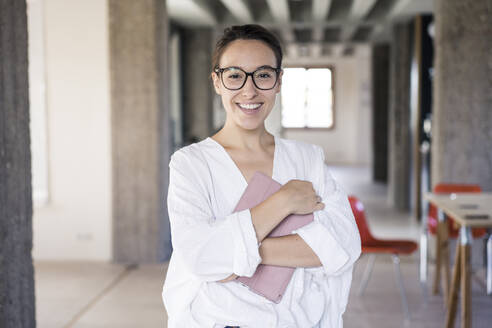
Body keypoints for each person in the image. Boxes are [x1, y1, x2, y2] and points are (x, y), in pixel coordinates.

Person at [162, 24, 361, 328]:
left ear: (279, 81)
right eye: (234, 76)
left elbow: (343, 245)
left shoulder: (307, 158)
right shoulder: (191, 164)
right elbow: (198, 258)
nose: (249, 90)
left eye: (264, 75)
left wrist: (232, 256)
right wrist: (283, 202)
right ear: (217, 81)